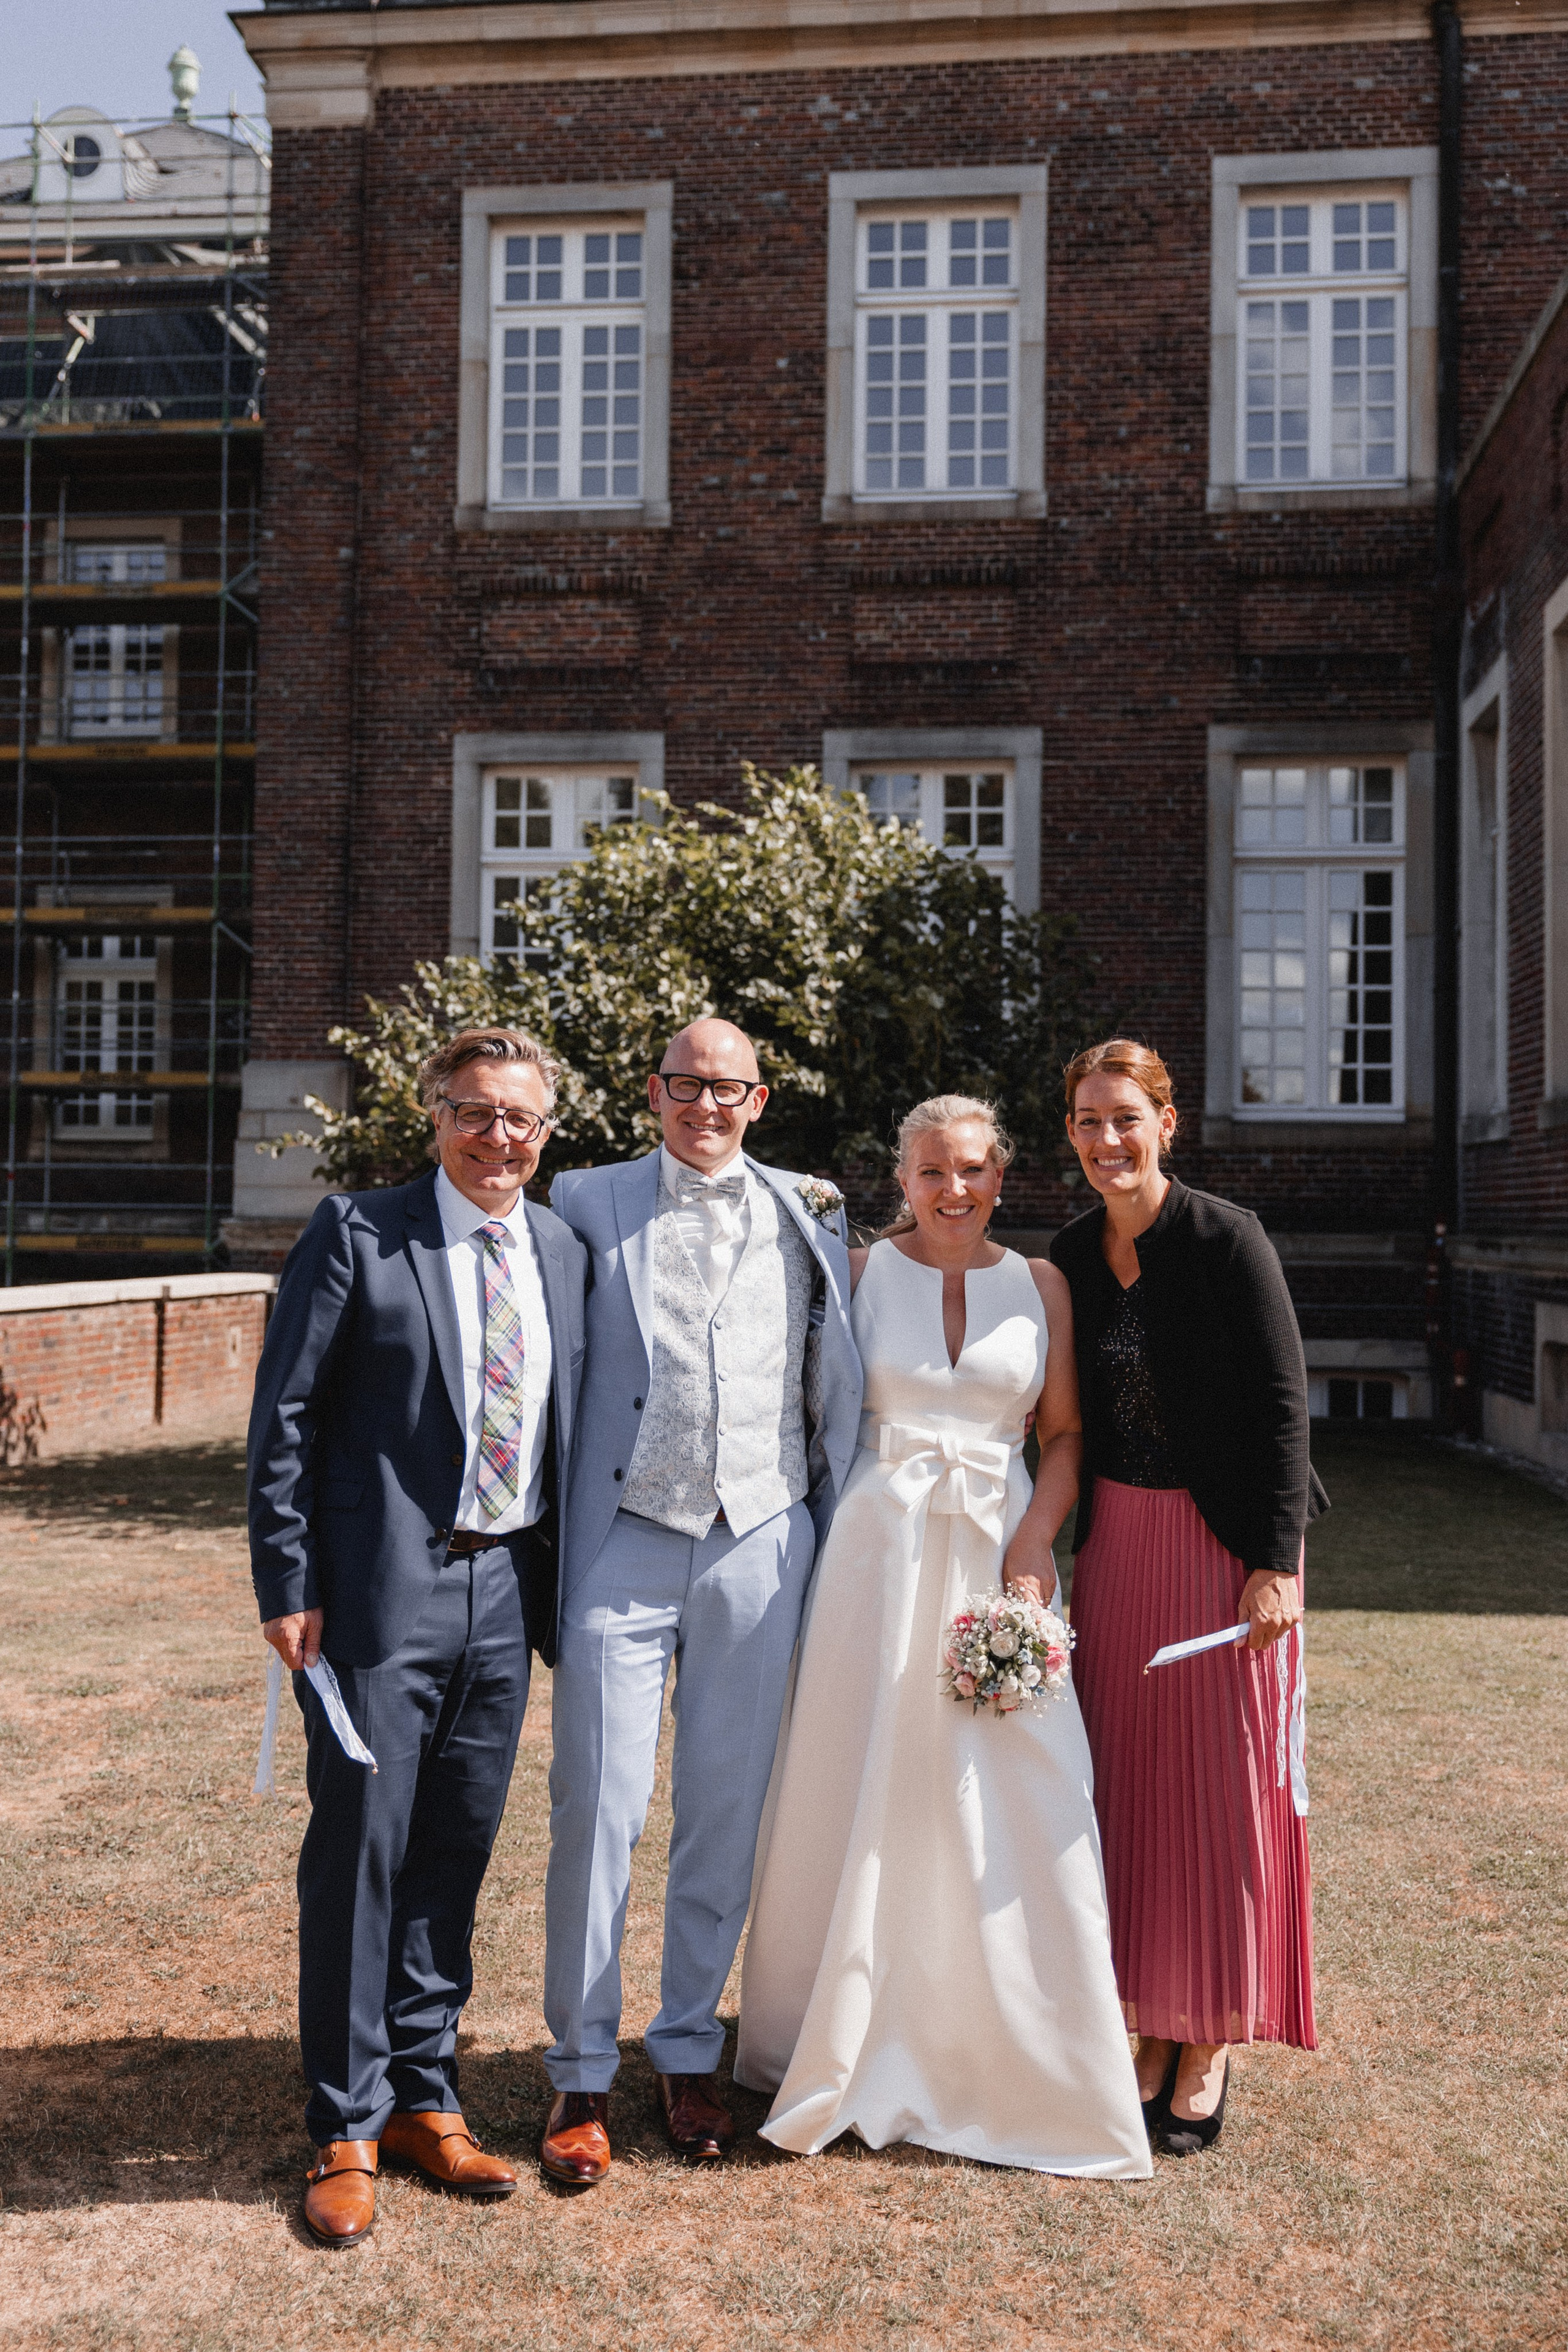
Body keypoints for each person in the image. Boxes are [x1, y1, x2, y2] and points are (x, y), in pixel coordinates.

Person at [734, 1095, 1151, 2179]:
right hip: (878, 1559)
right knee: (865, 1774)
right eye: (931, 1171)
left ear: (1001, 1176)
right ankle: (839, 2029)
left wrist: (1034, 1542)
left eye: (971, 1169)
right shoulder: (861, 1275)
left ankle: (1013, 2045)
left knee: (1022, 1784)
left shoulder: (1043, 1284)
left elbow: (1063, 1435)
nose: (953, 1189)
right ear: (901, 1177)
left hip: (995, 1553)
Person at [248, 1026, 587, 2246]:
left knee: (454, 1847)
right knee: (363, 1848)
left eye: (521, 1119)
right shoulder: (358, 1231)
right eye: (474, 1112)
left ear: (548, 1133)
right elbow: (283, 1418)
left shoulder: (556, 1247)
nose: (498, 1137)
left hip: (503, 1598)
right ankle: (343, 2123)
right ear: (434, 1115)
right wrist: (285, 1580)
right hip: (376, 1596)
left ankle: (422, 2097)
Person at [539, 1017, 864, 2185]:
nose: (704, 1106)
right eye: (685, 1086)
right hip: (619, 1540)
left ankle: (686, 2051)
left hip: (761, 1536)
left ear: (760, 1098)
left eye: (725, 1089)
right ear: (653, 1091)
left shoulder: (812, 1208)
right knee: (599, 1813)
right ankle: (577, 2071)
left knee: (725, 1813)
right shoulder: (582, 1198)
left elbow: (839, 1381)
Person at [1050, 1038, 1324, 2157]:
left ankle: (1208, 2040)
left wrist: (1276, 1560)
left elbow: (1283, 1403)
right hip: (1118, 1545)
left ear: (1169, 1122)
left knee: (1224, 1795)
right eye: (1086, 1121)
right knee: (1128, 1789)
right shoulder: (1069, 1252)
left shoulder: (1225, 1239)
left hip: (1225, 1557)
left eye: (1126, 1118)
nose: (1107, 1140)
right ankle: (1148, 2026)